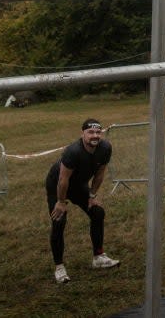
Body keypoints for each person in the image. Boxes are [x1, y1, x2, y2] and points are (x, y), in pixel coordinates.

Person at [44, 118, 120, 284]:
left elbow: (100, 174)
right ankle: (59, 267)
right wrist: (61, 202)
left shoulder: (105, 148)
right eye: (90, 132)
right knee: (59, 220)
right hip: (57, 185)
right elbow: (63, 180)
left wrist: (92, 196)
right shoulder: (73, 151)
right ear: (82, 134)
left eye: (98, 132)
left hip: (78, 185)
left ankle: (98, 256)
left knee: (98, 212)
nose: (95, 135)